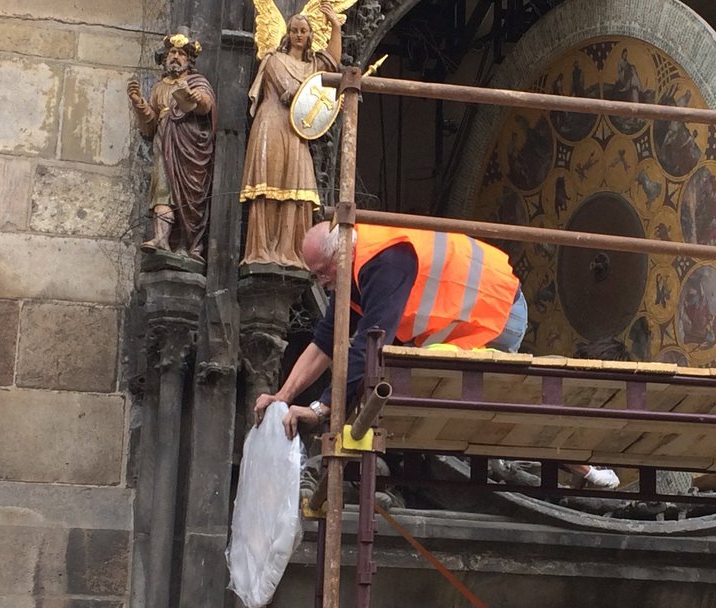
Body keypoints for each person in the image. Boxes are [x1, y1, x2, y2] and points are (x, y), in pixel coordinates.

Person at [253, 222, 528, 436]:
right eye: (316, 276)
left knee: (416, 395)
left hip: (497, 313)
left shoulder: (385, 261)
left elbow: (371, 345)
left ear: (342, 254)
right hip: (474, 319)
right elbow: (325, 341)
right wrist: (283, 396)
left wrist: (321, 408)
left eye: (323, 272)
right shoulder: (351, 268)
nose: (321, 283)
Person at [239, 5, 341, 268]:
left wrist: (336, 27)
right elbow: (289, 93)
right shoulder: (274, 60)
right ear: (287, 33)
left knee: (300, 187)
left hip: (297, 131)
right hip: (272, 125)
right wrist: (310, 91)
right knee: (270, 184)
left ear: (310, 35)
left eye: (304, 31)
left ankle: (292, 251)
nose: (298, 35)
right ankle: (262, 250)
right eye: (294, 30)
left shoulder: (313, 65)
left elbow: (332, 63)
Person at [127, 29, 216, 261]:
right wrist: (139, 104)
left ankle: (190, 246)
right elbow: (150, 125)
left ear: (189, 60)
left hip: (190, 146)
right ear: (165, 58)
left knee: (190, 197)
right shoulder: (159, 88)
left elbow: (206, 105)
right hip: (164, 143)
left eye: (180, 54)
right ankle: (161, 239)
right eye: (172, 53)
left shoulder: (197, 82)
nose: (175, 57)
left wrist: (196, 98)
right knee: (163, 191)